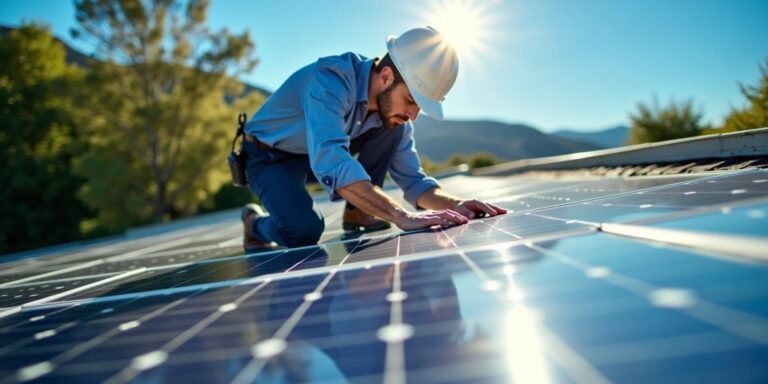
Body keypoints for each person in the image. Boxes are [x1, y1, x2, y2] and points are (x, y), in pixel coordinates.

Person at [241, 27, 506, 251]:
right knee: (302, 232)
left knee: (391, 126)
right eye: (412, 100)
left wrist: (456, 205)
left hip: (314, 156)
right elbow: (332, 162)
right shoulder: (330, 82)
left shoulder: (392, 115)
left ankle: (359, 212)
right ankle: (254, 224)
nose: (413, 115)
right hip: (269, 157)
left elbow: (413, 180)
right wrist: (400, 216)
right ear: (386, 77)